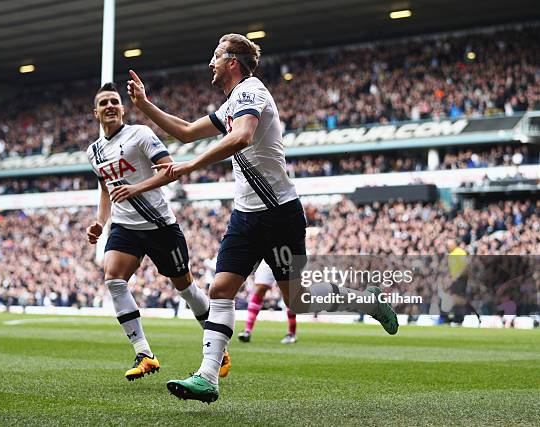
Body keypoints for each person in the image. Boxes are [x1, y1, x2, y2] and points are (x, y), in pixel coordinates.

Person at [127, 33, 398, 403]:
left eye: (216, 56)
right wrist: (145, 105)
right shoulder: (229, 104)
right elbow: (187, 132)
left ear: (232, 61)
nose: (210, 63)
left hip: (278, 214)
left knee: (297, 297)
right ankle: (208, 376)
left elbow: (241, 137)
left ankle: (368, 301)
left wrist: (192, 165)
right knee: (221, 290)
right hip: (246, 216)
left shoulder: (251, 91)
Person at [85, 82, 231, 382]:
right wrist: (101, 221)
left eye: (115, 101)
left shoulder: (140, 134)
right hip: (125, 227)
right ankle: (144, 354)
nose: (110, 106)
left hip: (160, 226)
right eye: (104, 103)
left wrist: (135, 188)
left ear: (122, 108)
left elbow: (169, 170)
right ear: (95, 113)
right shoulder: (94, 152)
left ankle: (218, 345)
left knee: (185, 287)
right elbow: (105, 188)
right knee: (113, 278)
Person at [238, 260, 298, 344]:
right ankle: (247, 331)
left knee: (288, 292)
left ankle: (292, 333)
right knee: (260, 289)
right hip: (267, 255)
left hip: (286, 254)